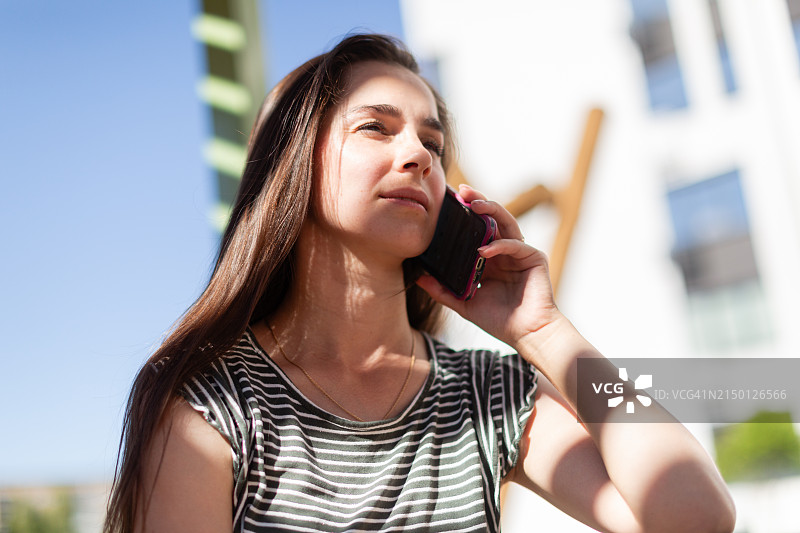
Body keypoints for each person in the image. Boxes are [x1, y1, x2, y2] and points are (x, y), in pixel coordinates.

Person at [104, 33, 735, 533]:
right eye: (376, 127)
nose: (418, 155)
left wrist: (546, 332)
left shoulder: (487, 396)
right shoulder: (210, 401)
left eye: (431, 141)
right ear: (294, 163)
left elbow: (695, 519)